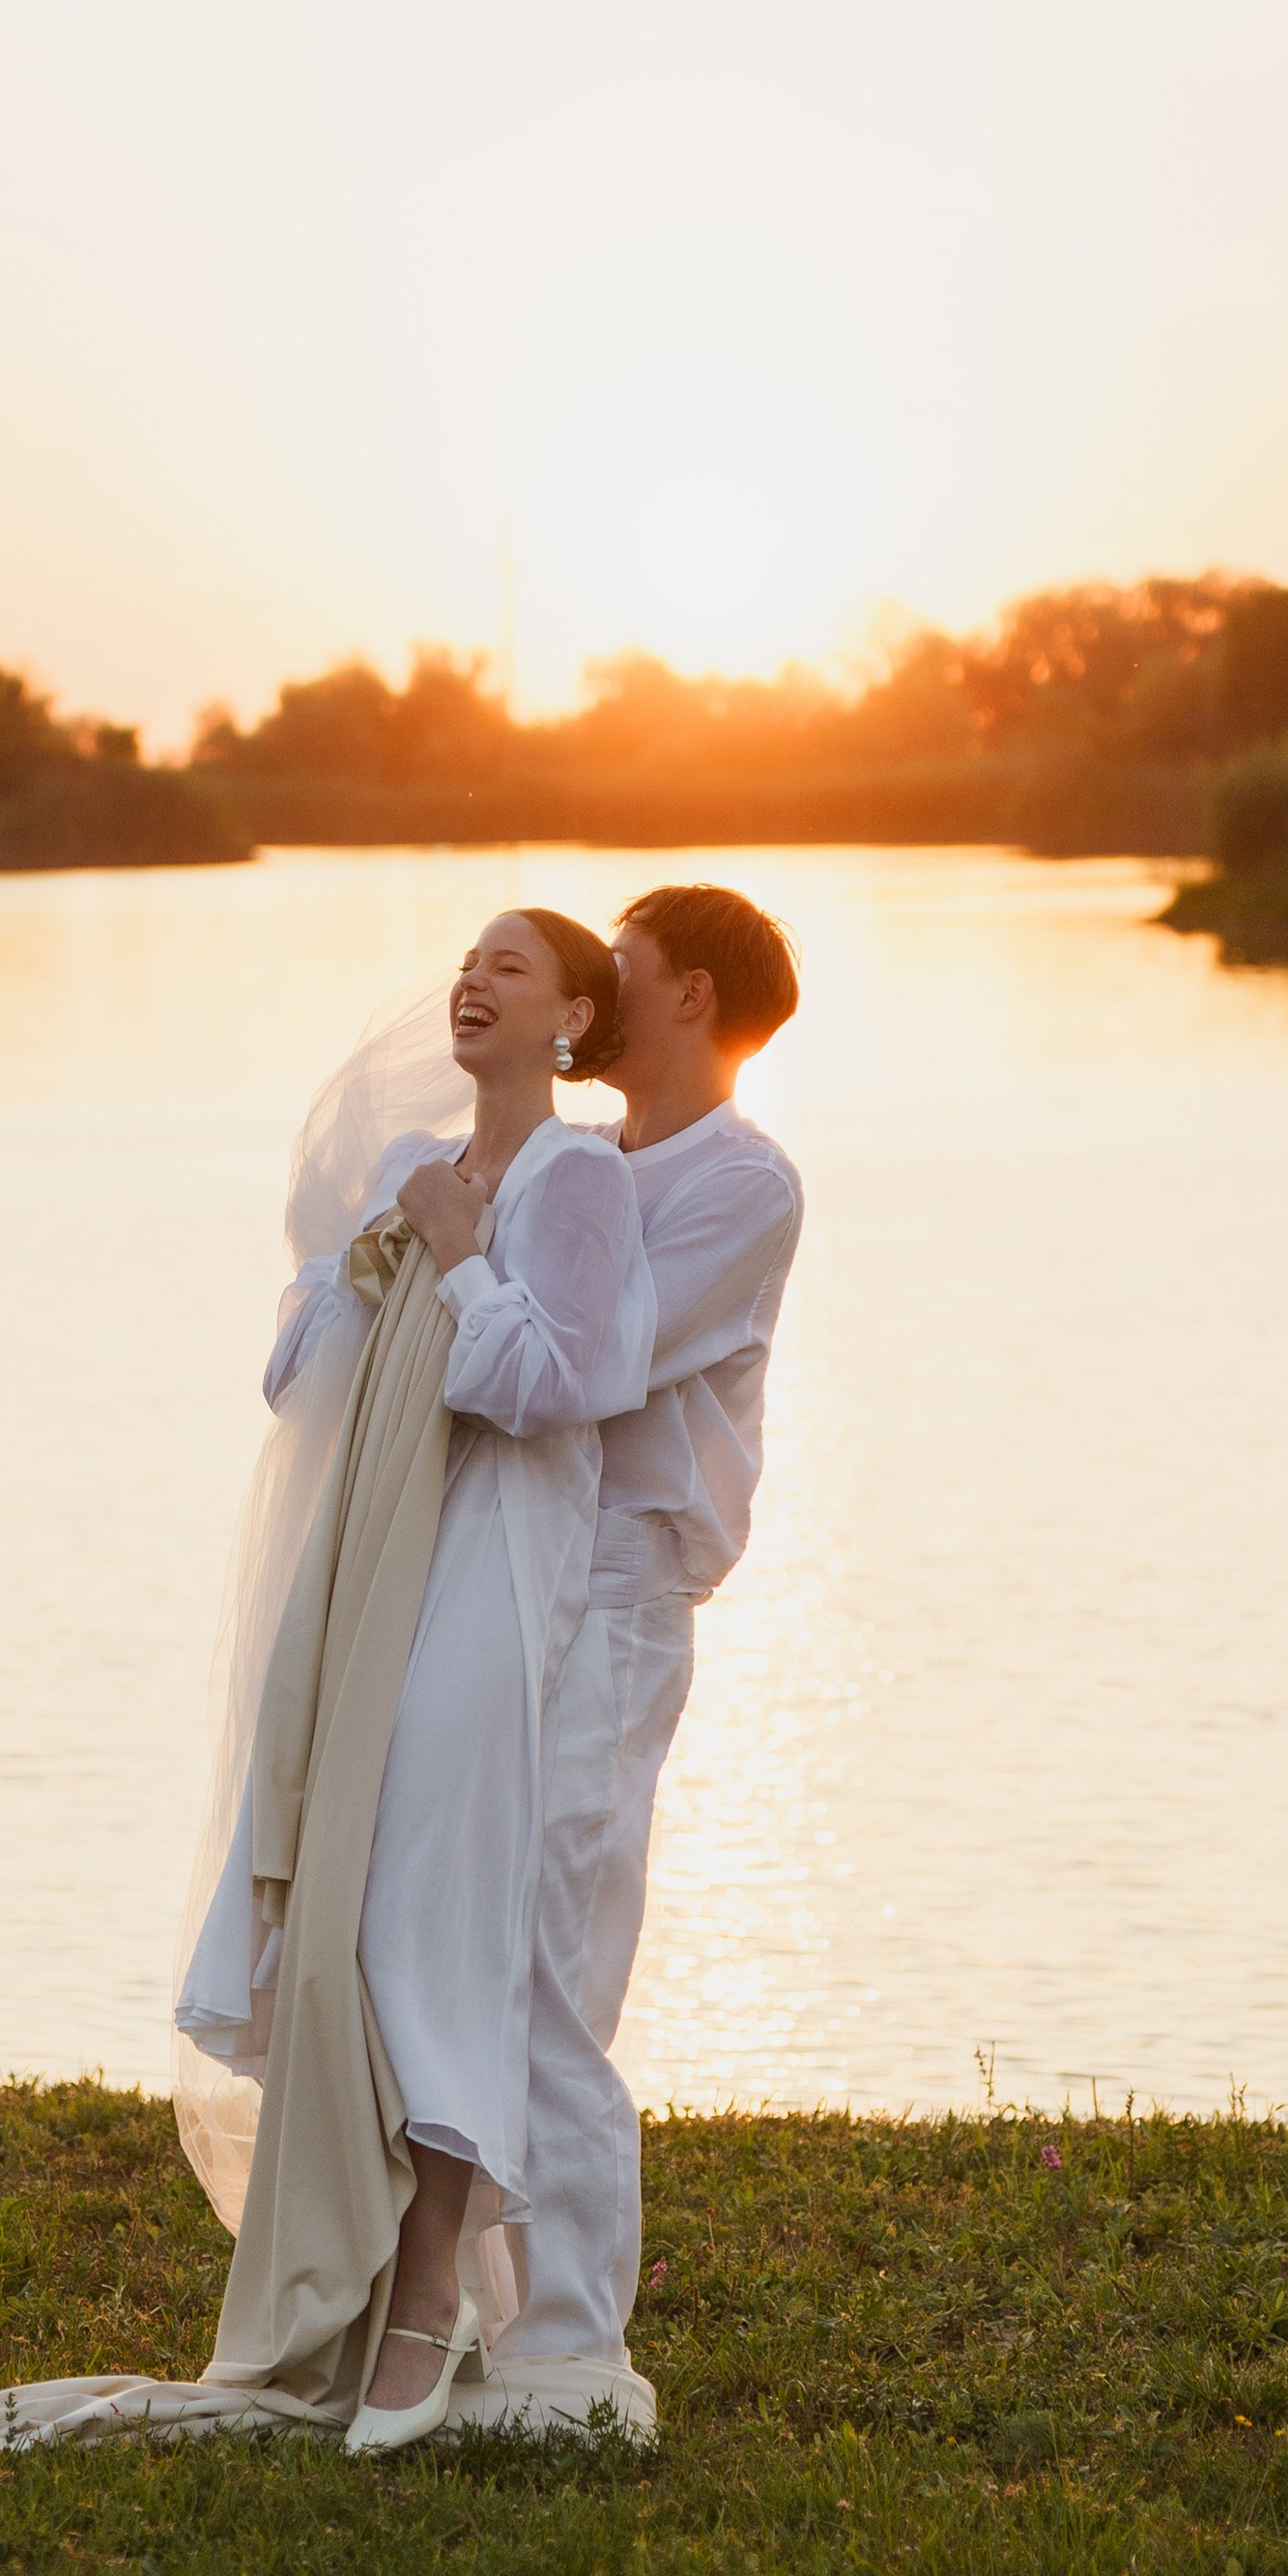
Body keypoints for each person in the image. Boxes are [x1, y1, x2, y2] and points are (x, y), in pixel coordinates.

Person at [176, 910, 657, 2450]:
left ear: (574, 1018)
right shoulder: (426, 1171)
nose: (474, 979)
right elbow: (301, 1384)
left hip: (502, 1553)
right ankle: (387, 2256)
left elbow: (571, 1384)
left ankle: (435, 2286)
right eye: (470, 960)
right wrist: (356, 1266)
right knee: (356, 1896)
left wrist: (458, 1257)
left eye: (513, 968)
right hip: (390, 1548)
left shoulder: (580, 1176)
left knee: (430, 1913)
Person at [496, 882, 805, 2374]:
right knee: (474, 1932)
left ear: (688, 994)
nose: (597, 993)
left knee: (561, 1946)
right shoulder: (575, 1159)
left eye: (620, 968)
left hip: (617, 1586)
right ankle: (470, 2304)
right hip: (510, 1568)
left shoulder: (743, 1183)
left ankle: (568, 2341)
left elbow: (597, 1359)